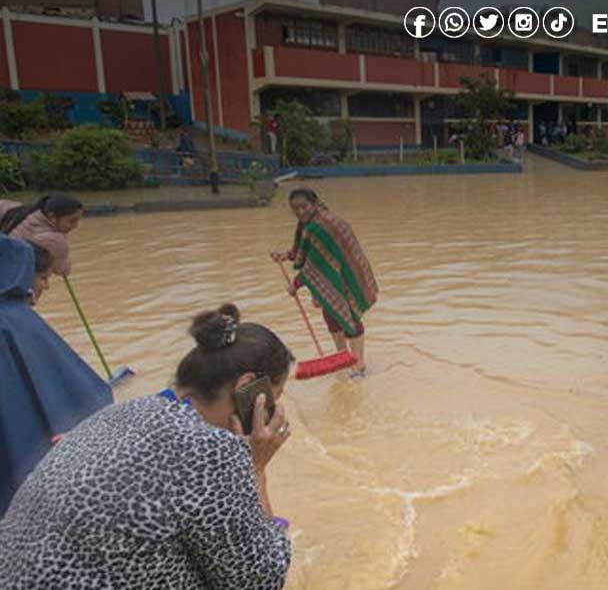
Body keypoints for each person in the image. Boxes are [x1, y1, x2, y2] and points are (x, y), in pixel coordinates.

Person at [0, 303, 293, 589]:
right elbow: (261, 580)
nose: (271, 411)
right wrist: (255, 467)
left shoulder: (119, 413)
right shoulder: (211, 448)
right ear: (246, 386)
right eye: (273, 397)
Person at [0, 235, 112, 518]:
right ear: (22, 274)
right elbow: (86, 398)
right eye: (43, 277)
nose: (45, 286)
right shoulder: (15, 321)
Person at [272, 188, 378, 376]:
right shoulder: (312, 222)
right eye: (295, 209)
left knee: (350, 318)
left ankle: (359, 363)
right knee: (332, 317)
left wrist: (295, 284)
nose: (300, 212)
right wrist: (285, 255)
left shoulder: (319, 226)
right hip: (336, 276)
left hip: (344, 277)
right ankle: (342, 359)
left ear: (314, 203)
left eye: (304, 206)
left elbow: (315, 266)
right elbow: (305, 251)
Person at [0, 194, 83, 276]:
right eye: (72, 221)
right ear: (52, 216)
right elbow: (62, 271)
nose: (76, 226)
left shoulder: (16, 208)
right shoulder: (57, 240)